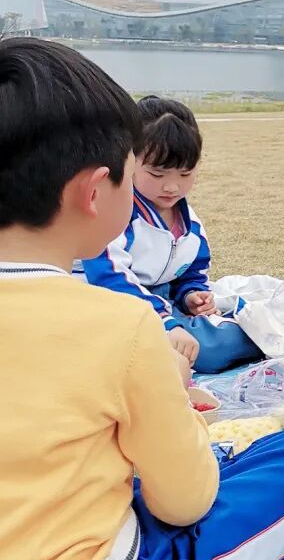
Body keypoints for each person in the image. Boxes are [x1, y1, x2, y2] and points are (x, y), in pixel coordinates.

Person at [0, 38, 284, 560]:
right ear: (94, 191)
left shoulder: (182, 232)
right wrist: (173, 394)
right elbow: (185, 502)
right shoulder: (120, 325)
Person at [76, 96, 262, 373]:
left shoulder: (189, 222)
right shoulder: (113, 211)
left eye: (185, 174)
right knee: (199, 349)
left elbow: (192, 271)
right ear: (129, 161)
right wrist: (165, 322)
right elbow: (108, 278)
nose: (172, 187)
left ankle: (256, 326)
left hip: (159, 303)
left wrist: (192, 295)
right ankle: (258, 331)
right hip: (110, 303)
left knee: (207, 344)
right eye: (157, 174)